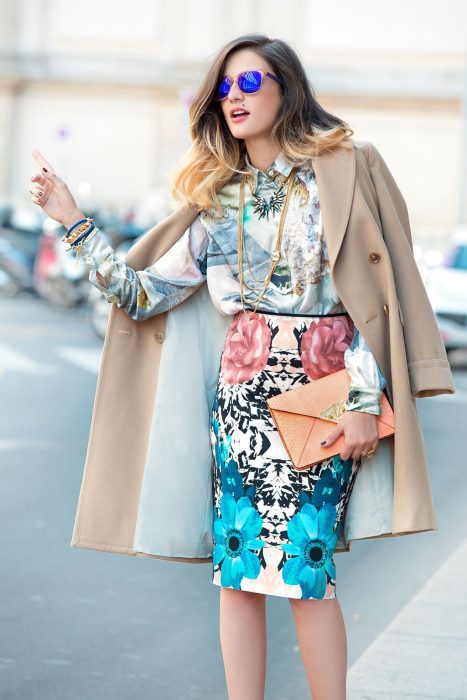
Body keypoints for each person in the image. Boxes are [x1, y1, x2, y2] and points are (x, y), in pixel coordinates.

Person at [29, 34, 454, 700]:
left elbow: (375, 297)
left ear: (286, 88)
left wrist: (366, 400)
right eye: (224, 86)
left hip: (319, 396)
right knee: (238, 573)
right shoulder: (218, 198)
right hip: (242, 405)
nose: (234, 97)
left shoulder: (344, 169)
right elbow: (143, 295)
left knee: (305, 569)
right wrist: (74, 222)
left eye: (249, 83)